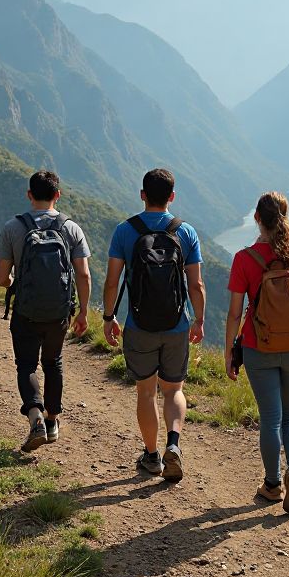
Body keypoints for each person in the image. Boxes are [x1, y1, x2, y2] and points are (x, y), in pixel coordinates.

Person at [102, 169, 205, 481]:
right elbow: (196, 285)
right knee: (173, 389)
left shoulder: (125, 231)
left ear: (142, 194)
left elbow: (111, 282)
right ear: (171, 197)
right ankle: (173, 444)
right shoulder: (184, 232)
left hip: (139, 325)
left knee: (146, 392)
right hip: (176, 324)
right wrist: (198, 320)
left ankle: (151, 456)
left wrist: (109, 317)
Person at [224, 192, 289, 513]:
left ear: (257, 219)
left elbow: (235, 313)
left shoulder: (244, 258)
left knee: (271, 417)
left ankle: (273, 484)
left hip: (258, 348)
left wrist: (229, 353)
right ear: (285, 217)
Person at [0, 170, 91, 453]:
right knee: (53, 362)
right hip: (59, 313)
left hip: (26, 311)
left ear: (29, 195)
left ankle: (34, 417)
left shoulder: (13, 227)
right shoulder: (71, 228)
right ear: (57, 195)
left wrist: (15, 284)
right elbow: (83, 275)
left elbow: (1, 278)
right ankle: (52, 421)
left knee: (26, 365)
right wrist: (83, 311)